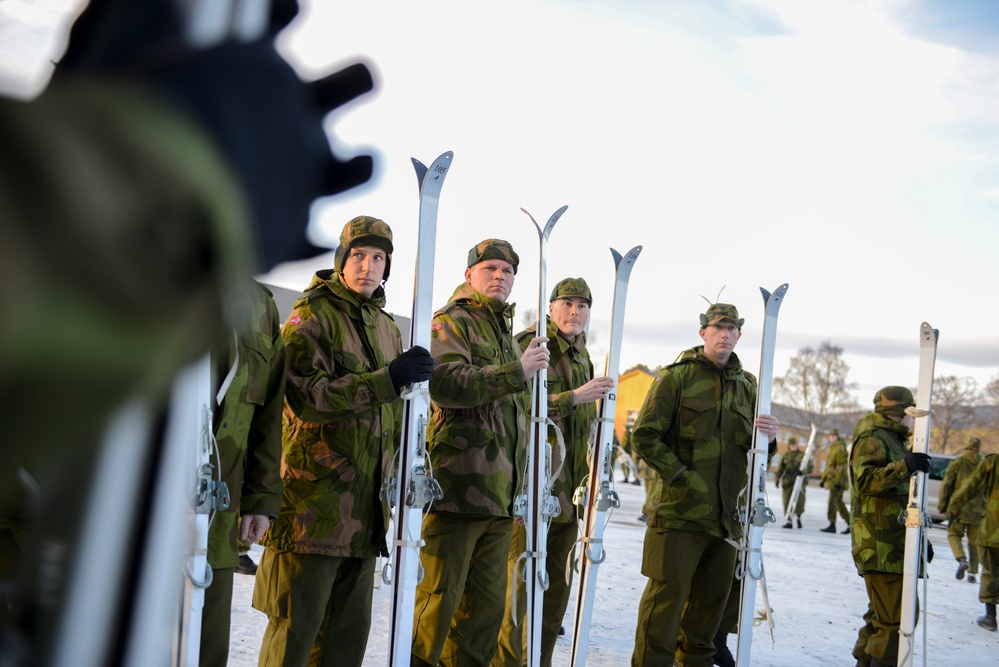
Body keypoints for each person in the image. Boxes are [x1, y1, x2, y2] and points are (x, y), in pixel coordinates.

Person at [252, 217, 434, 667]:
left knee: (345, 648)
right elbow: (304, 397)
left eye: (378, 258)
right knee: (293, 644)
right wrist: (388, 379)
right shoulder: (312, 315)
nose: (368, 267)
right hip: (311, 515)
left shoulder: (388, 328)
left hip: (364, 519)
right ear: (341, 260)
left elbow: (388, 419)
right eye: (358, 256)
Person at [411, 239, 549, 667]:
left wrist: (521, 486)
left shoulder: (504, 335)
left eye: (507, 271)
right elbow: (446, 384)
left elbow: (518, 418)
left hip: (500, 500)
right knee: (437, 609)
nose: (499, 276)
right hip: (455, 491)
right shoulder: (451, 322)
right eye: (490, 268)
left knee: (484, 618)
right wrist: (517, 371)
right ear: (469, 275)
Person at [630, 302, 780, 667]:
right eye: (718, 328)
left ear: (739, 335)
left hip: (727, 521)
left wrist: (770, 441)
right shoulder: (676, 377)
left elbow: (754, 453)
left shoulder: (749, 386)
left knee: (706, 617)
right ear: (703, 333)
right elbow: (646, 436)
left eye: (732, 329)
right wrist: (681, 476)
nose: (725, 335)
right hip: (679, 514)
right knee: (664, 608)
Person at [491, 278, 615, 667]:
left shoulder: (583, 357)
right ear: (550, 308)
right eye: (567, 304)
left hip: (570, 493)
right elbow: (517, 404)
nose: (575, 312)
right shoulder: (531, 344)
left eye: (582, 306)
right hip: (533, 485)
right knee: (521, 586)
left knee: (556, 591)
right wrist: (574, 397)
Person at [201, 280, 286, 666]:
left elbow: (267, 417)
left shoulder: (260, 306)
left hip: (219, 508)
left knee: (206, 647)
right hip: (139, 510)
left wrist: (260, 498)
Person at [848, 386, 931, 667]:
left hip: (892, 543)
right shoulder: (874, 436)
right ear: (899, 412)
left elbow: (903, 498)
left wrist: (918, 538)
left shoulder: (892, 437)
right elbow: (865, 481)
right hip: (881, 545)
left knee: (882, 620)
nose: (913, 418)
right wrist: (904, 466)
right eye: (910, 411)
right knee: (896, 622)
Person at [948, 451, 999, 632]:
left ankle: (990, 617)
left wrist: (953, 507)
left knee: (991, 569)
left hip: (994, 526)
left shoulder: (993, 462)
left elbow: (970, 486)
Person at [938, 436, 985, 583]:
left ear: (965, 445)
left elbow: (946, 485)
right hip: (978, 510)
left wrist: (943, 506)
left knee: (953, 534)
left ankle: (962, 559)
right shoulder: (985, 465)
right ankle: (972, 573)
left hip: (958, 507)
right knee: (974, 542)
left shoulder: (957, 463)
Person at [820, 429, 851, 534]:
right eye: (830, 436)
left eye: (834, 436)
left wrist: (838, 481)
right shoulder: (832, 448)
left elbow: (841, 466)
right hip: (832, 480)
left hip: (837, 482)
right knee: (839, 503)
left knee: (832, 503)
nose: (832, 437)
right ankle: (850, 524)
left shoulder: (840, 448)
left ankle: (832, 525)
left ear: (837, 436)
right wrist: (823, 479)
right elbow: (829, 466)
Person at [776, 436, 810, 529]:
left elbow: (810, 466)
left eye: (794, 444)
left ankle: (798, 518)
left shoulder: (802, 455)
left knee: (799, 502)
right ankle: (789, 520)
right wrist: (777, 478)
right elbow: (780, 468)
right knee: (787, 501)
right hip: (788, 482)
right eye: (791, 445)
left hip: (799, 481)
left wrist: (803, 472)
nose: (793, 446)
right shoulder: (785, 455)